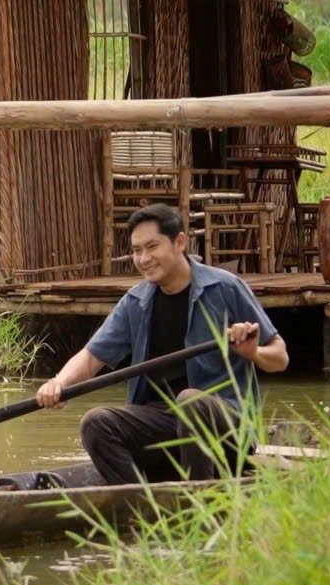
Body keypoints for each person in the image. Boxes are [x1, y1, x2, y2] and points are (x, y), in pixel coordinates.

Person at [35, 202, 290, 485]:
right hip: (165, 424)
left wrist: (253, 352)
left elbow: (280, 358)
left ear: (179, 242)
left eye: (152, 247)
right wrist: (59, 383)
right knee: (96, 422)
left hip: (226, 427)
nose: (144, 258)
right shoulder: (136, 302)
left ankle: (199, 504)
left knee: (190, 401)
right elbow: (91, 358)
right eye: (136, 250)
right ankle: (140, 506)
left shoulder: (225, 287)